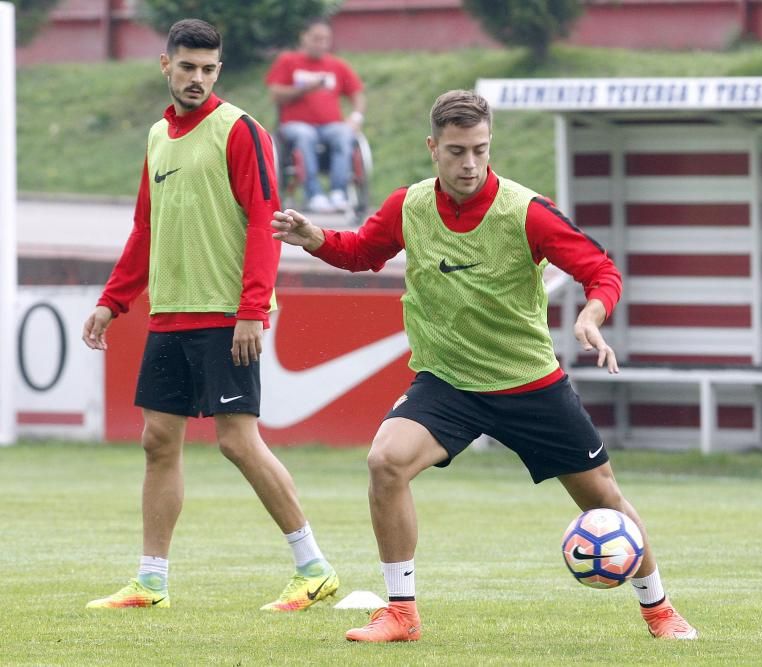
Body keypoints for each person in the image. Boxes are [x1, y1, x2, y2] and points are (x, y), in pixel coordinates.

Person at [271, 90, 698, 642]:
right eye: (456, 152)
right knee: (386, 463)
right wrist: (315, 239)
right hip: (447, 382)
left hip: (528, 383)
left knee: (603, 499)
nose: (469, 164)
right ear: (433, 149)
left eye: (479, 149)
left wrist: (593, 315)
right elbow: (361, 252)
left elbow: (601, 270)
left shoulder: (526, 211)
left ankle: (659, 609)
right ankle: (400, 612)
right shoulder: (410, 205)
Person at [81, 18, 338, 613]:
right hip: (169, 314)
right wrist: (113, 300)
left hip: (227, 315)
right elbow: (146, 229)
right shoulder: (156, 138)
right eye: (187, 67)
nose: (197, 78)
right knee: (158, 441)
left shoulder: (242, 129)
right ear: (165, 66)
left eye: (208, 69)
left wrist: (252, 308)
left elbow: (265, 220)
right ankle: (150, 582)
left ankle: (313, 567)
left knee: (238, 443)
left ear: (218, 71)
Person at [265, 18, 365, 214]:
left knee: (344, 134)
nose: (321, 44)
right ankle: (314, 194)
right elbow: (275, 93)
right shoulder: (288, 61)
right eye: (316, 38)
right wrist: (303, 89)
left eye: (325, 39)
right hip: (295, 125)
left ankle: (339, 192)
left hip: (330, 125)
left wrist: (356, 117)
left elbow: (357, 94)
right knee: (305, 135)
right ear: (304, 37)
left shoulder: (336, 65)